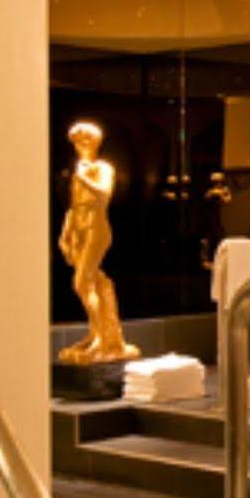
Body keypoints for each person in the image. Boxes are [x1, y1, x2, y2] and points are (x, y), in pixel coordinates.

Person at [57, 120, 138, 365]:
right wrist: (66, 231)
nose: (81, 144)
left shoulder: (103, 168)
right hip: (79, 227)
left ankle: (103, 338)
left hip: (96, 227)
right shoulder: (80, 169)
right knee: (94, 282)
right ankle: (98, 334)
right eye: (77, 141)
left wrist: (83, 177)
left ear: (95, 143)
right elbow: (73, 205)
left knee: (82, 281)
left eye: (85, 140)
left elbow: (103, 195)